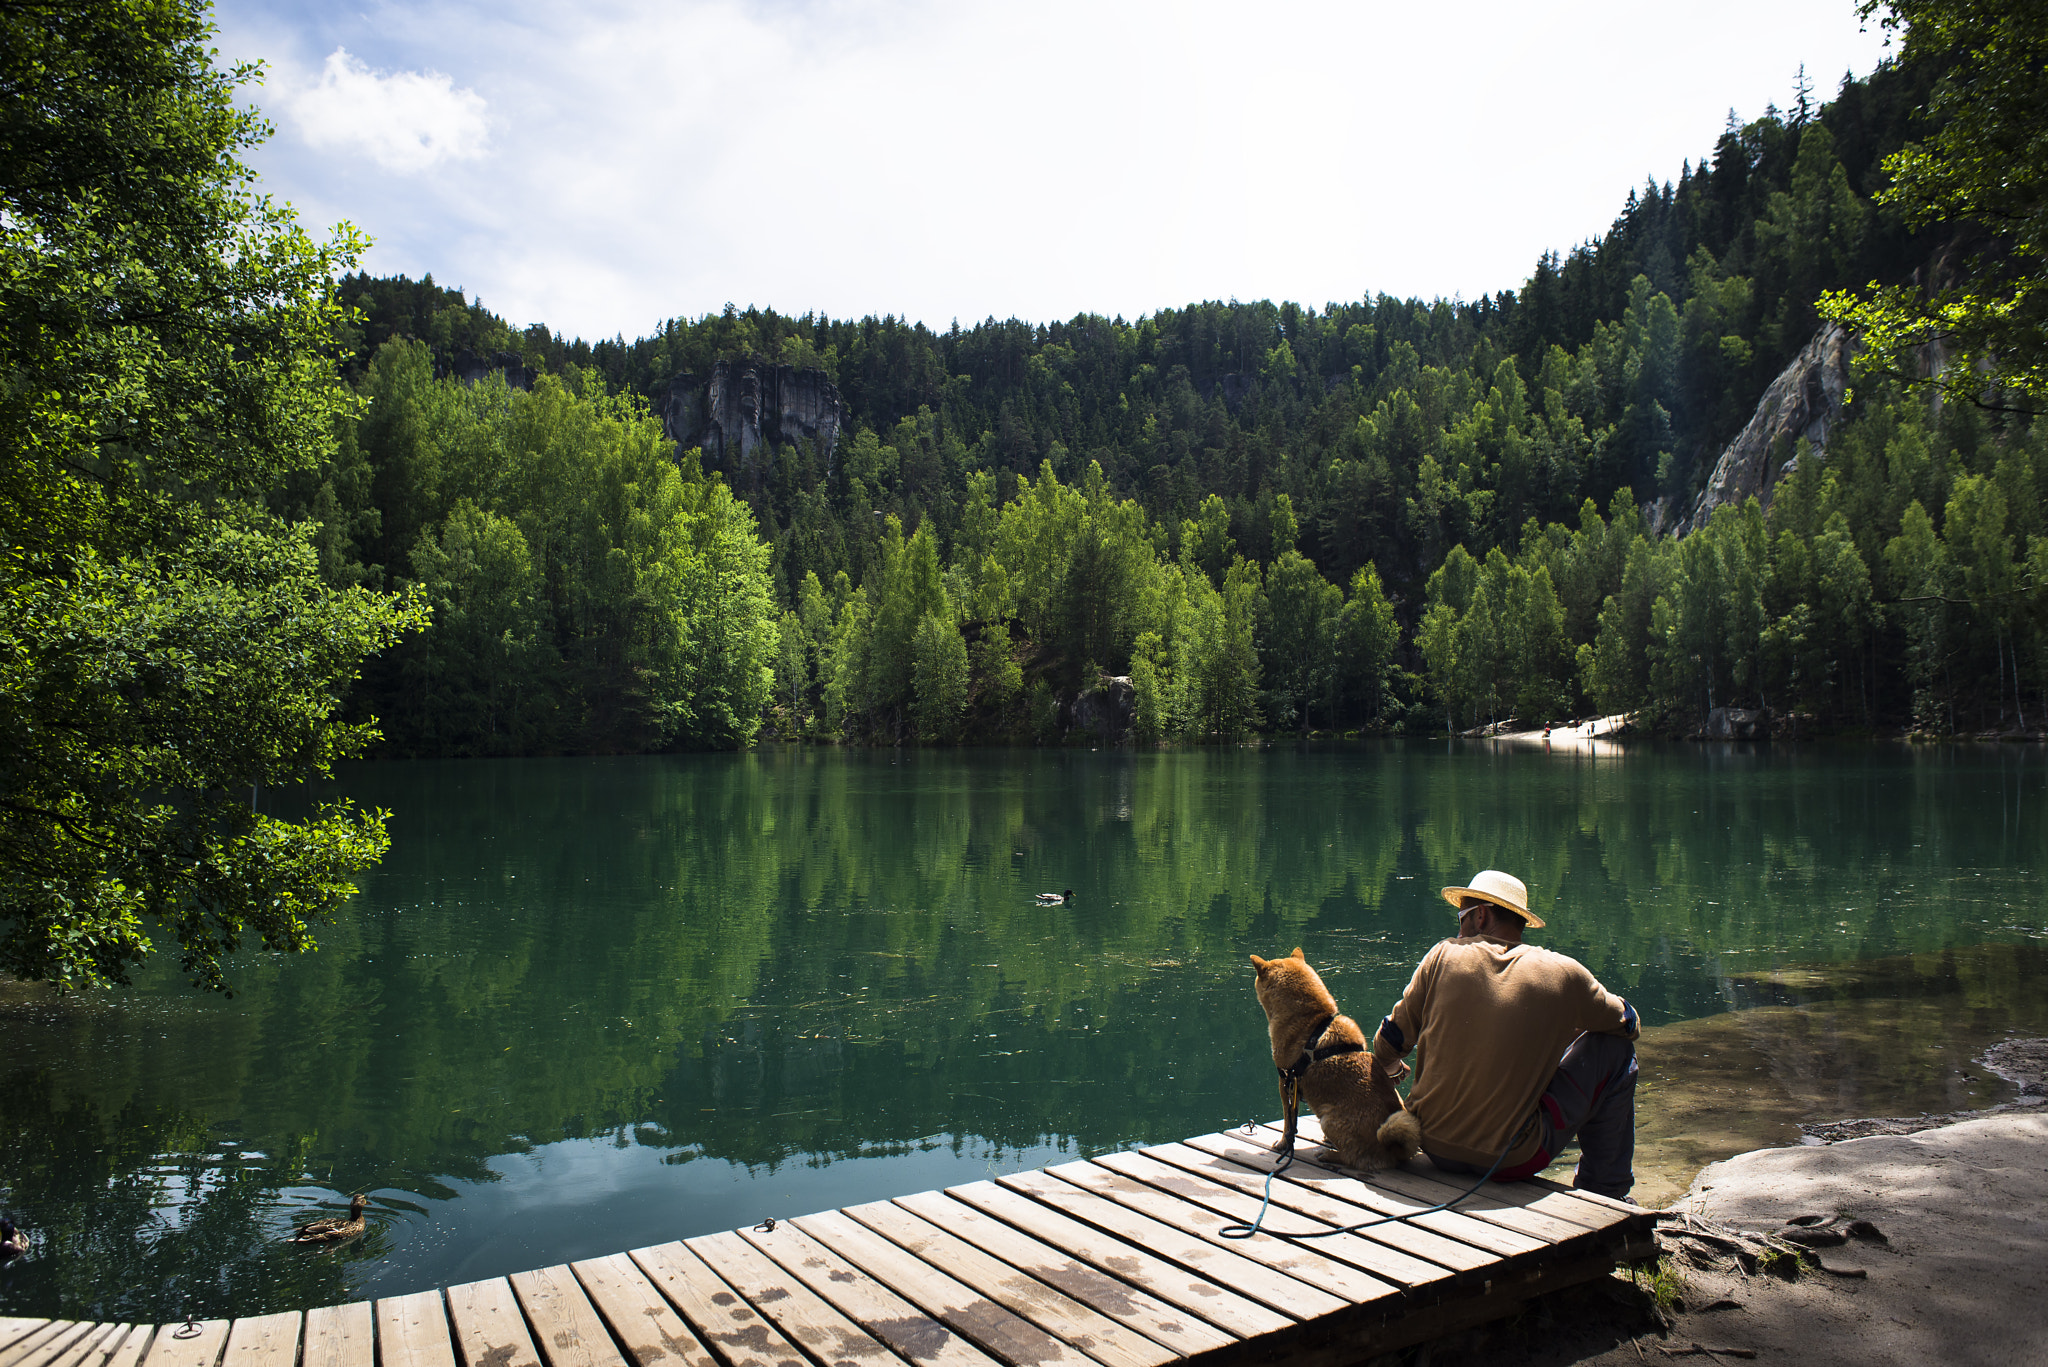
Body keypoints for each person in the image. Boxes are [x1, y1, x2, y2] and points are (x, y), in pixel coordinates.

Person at [1370, 869, 1640, 1200]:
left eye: (1462, 917)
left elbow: (1390, 1040)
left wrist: (1392, 1066)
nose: (1458, 929)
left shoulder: (1442, 956)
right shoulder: (1563, 973)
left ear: (1480, 916)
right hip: (1512, 1159)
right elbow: (1627, 1026)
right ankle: (1606, 1192)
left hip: (1433, 1145)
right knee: (1615, 1050)